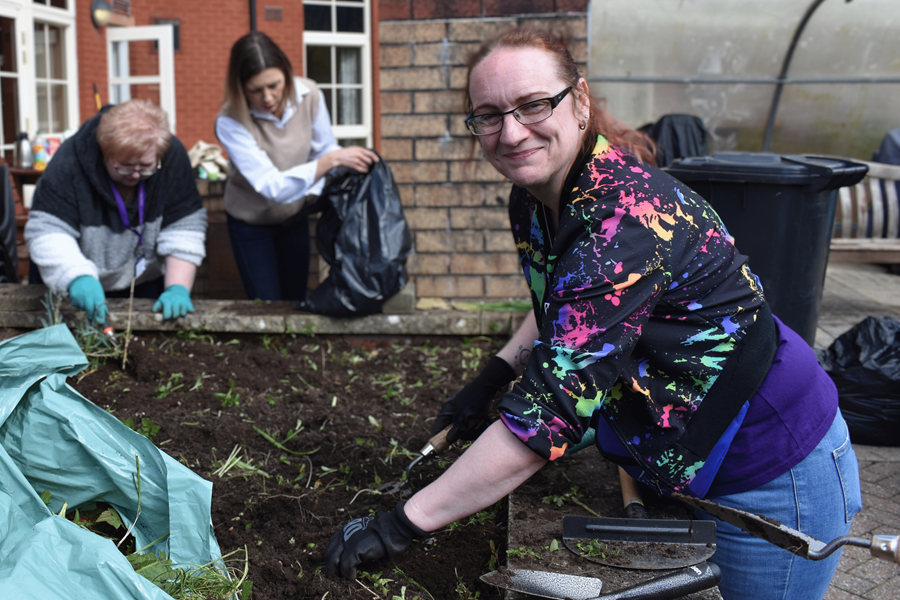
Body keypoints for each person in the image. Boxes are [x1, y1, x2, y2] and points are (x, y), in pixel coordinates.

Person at [324, 28, 862, 600]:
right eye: (487, 115)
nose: (510, 133)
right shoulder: (536, 198)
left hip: (773, 460)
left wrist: (403, 524)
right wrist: (497, 374)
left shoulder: (624, 219)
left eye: (533, 105)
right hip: (699, 439)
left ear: (580, 101)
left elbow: (552, 413)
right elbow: (572, 307)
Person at [216, 32, 378, 302]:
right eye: (255, 90)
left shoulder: (309, 94)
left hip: (295, 216)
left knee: (294, 301)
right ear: (240, 86)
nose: (267, 97)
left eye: (274, 85)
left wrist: (342, 159)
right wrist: (330, 161)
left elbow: (324, 146)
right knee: (266, 306)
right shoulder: (229, 121)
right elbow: (272, 186)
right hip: (251, 223)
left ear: (287, 74)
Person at [25, 98, 206, 324]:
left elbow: (183, 226)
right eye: (126, 166)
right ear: (104, 152)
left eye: (146, 167)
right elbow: (48, 231)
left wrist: (177, 287)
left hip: (142, 280)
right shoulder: (69, 161)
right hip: (75, 281)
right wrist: (76, 276)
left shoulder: (170, 154)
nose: (136, 175)